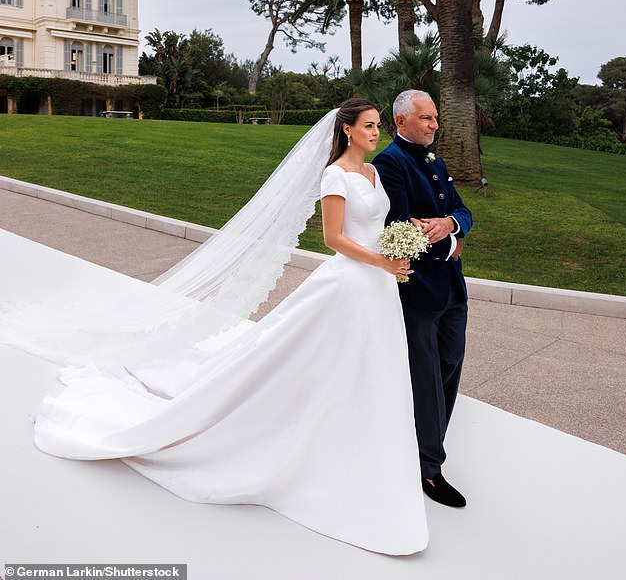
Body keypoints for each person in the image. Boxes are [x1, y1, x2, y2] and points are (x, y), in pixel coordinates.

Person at [19, 100, 429, 555]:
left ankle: (364, 451)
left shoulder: (373, 175)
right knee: (312, 359)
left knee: (372, 368)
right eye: (369, 126)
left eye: (377, 126)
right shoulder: (336, 175)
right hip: (352, 282)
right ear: (348, 131)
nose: (376, 132)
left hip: (378, 285)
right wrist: (382, 260)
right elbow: (334, 238)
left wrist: (400, 245)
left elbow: (375, 223)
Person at [373, 89, 472, 509]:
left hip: (452, 290)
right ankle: (428, 469)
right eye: (427, 119)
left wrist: (452, 226)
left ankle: (426, 445)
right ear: (401, 123)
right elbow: (395, 226)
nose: (435, 125)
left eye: (435, 118)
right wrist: (444, 241)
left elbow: (464, 211)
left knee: (450, 365)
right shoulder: (389, 164)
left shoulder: (437, 160)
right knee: (426, 380)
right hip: (417, 291)